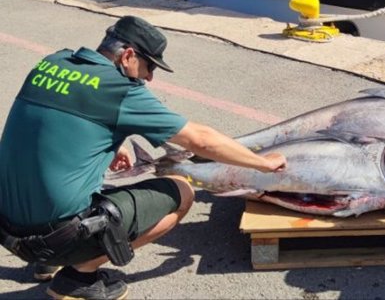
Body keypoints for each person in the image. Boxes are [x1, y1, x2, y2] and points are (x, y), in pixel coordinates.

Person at [0, 16, 286, 300]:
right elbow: (200, 139)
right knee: (182, 191)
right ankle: (79, 276)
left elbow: (51, 123)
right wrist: (264, 163)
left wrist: (112, 143)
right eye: (149, 66)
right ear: (127, 56)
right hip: (56, 236)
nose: (149, 77)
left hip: (9, 231)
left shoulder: (52, 62)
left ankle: (47, 261)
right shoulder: (120, 89)